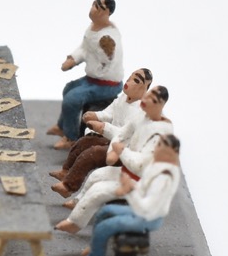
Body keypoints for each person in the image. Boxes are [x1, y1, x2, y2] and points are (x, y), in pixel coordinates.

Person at [56, 84, 174, 234]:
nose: (145, 99)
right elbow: (122, 135)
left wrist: (122, 152)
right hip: (127, 170)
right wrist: (113, 152)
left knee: (99, 191)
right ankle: (75, 217)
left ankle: (89, 225)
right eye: (147, 95)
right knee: (96, 176)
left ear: (159, 104)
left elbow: (142, 163)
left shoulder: (161, 133)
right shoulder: (141, 115)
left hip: (141, 180)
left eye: (151, 98)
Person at [76, 135, 182, 256]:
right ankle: (95, 246)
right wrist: (129, 187)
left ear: (171, 152)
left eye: (161, 145)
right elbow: (142, 189)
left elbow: (145, 208)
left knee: (105, 226)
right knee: (104, 212)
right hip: (139, 210)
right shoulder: (156, 166)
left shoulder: (164, 177)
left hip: (148, 217)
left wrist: (129, 190)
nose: (156, 148)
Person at [50, 68, 152, 197]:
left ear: (145, 89)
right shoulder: (123, 98)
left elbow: (124, 135)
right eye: (131, 76)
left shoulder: (139, 111)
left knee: (93, 153)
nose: (129, 81)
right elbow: (108, 113)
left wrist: (103, 128)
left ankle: (68, 187)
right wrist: (95, 116)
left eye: (136, 80)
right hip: (110, 139)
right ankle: (65, 171)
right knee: (83, 142)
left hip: (122, 150)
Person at [48, 0, 124, 147]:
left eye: (98, 7)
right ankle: (62, 127)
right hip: (92, 80)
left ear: (106, 12)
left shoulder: (108, 37)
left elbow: (109, 59)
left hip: (107, 84)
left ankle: (71, 137)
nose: (93, 9)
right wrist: (73, 59)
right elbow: (84, 48)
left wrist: (107, 50)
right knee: (68, 88)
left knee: (72, 99)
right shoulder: (93, 28)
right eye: (94, 4)